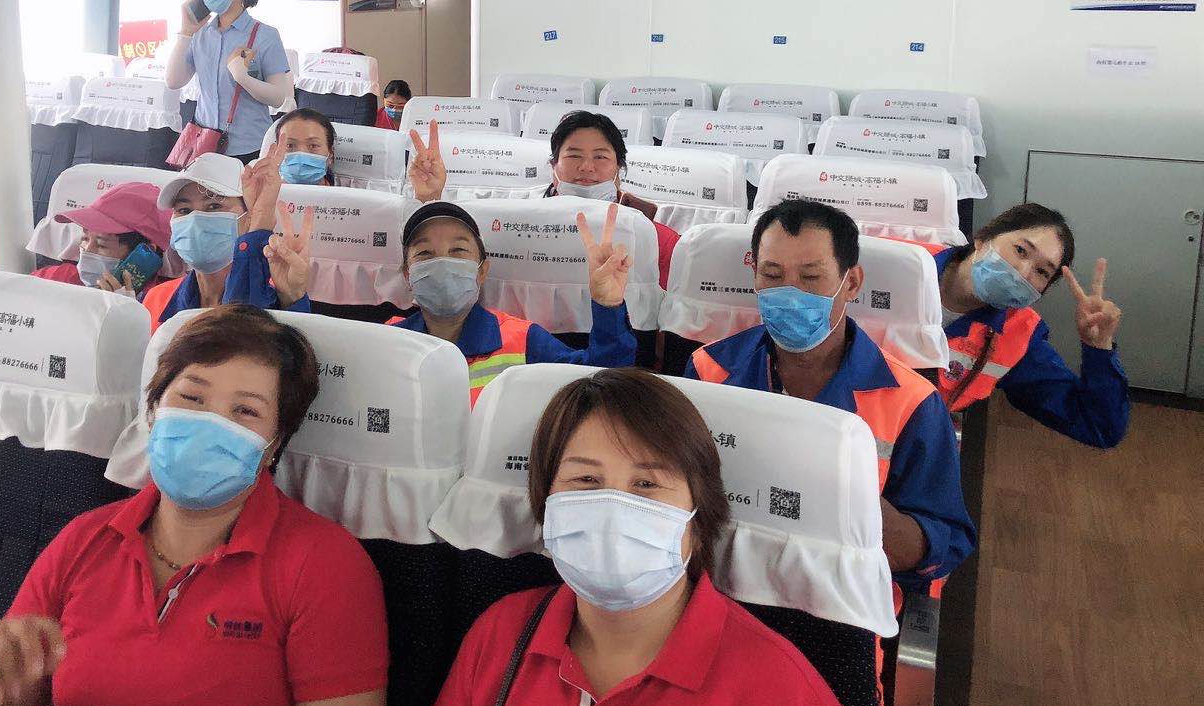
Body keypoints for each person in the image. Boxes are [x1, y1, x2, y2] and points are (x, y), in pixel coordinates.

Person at [0, 305, 388, 706]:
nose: (211, 422)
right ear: (154, 411)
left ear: (272, 447)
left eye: (245, 412)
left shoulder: (323, 564)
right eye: (192, 398)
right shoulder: (84, 540)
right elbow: (3, 690)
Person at [434, 368, 841, 706]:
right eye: (586, 480)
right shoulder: (500, 637)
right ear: (545, 501)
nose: (614, 509)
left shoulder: (779, 687)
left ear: (698, 516)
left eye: (646, 484)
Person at [687, 200, 975, 598]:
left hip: (837, 603)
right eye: (772, 275)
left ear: (851, 283)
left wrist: (866, 517)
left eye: (811, 277)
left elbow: (944, 542)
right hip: (720, 587)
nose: (790, 294)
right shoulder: (708, 371)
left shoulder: (911, 402)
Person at [268, 199, 637, 406]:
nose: (442, 262)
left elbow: (604, 385)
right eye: (425, 254)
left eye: (458, 251)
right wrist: (293, 297)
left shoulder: (522, 340)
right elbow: (314, 383)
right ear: (408, 275)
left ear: (481, 270)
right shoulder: (386, 340)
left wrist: (607, 306)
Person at [926, 202, 1128, 447]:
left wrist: (1099, 348)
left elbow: (1100, 427)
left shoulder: (1017, 336)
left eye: (1042, 272)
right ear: (983, 239)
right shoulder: (903, 261)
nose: (1023, 272)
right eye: (1020, 250)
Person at [407, 111, 677, 288]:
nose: (586, 167)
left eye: (600, 156)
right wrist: (430, 197)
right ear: (553, 168)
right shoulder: (517, 223)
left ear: (619, 169)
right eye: (573, 155)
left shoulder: (654, 237)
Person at [142, 148, 310, 331]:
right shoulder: (157, 298)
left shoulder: (275, 298)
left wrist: (291, 300)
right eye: (184, 210)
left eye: (214, 206)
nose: (195, 220)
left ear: (248, 217)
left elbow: (246, 337)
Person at [165, 0, 291, 162]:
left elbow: (278, 98)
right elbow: (173, 81)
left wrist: (243, 78)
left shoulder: (265, 35)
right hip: (203, 144)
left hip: (249, 146)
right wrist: (186, 32)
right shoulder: (200, 33)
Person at [32, 182, 174, 298]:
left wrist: (128, 313)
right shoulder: (56, 279)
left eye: (101, 245)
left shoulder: (164, 303)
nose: (86, 251)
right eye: (85, 239)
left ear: (145, 254)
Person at [275, 108, 336, 185]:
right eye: (290, 145)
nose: (301, 154)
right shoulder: (262, 191)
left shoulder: (346, 192)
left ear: (330, 155)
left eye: (313, 146)